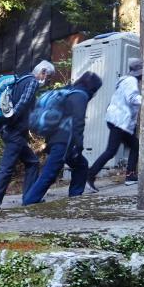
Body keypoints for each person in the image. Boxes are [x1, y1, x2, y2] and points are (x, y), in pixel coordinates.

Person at [21, 71, 102, 206]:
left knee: (81, 165)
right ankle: (30, 200)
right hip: (65, 141)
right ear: (92, 87)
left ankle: (75, 196)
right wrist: (79, 144)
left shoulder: (69, 91)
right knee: (50, 172)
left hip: (56, 138)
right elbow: (78, 122)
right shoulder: (80, 95)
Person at [0, 60, 54, 210]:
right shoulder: (32, 82)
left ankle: (29, 198)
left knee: (32, 162)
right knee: (6, 168)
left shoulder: (21, 80)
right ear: (43, 72)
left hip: (11, 131)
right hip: (14, 132)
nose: (47, 81)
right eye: (48, 78)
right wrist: (11, 122)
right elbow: (22, 104)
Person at [86, 58, 143, 191]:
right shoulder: (131, 81)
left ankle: (130, 175)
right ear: (139, 72)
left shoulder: (125, 80)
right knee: (111, 151)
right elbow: (132, 98)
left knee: (135, 146)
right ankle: (89, 176)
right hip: (119, 121)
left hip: (118, 121)